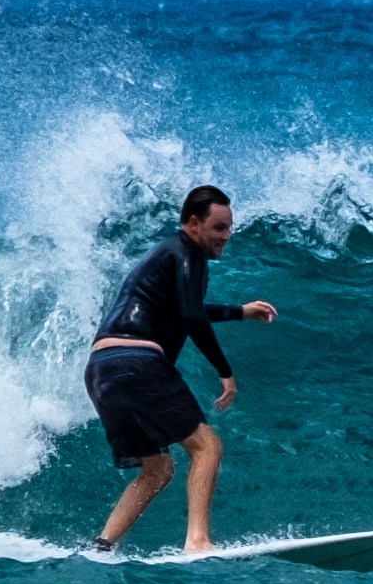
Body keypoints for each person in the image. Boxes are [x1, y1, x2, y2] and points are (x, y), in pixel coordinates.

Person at [88, 185, 281, 553]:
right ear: (193, 224)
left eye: (229, 227)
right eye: (219, 228)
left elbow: (185, 309)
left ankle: (101, 545)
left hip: (102, 369)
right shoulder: (188, 253)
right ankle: (197, 541)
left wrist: (240, 311)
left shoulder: (167, 256)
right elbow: (192, 316)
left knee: (157, 467)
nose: (227, 236)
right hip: (137, 362)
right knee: (207, 447)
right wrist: (225, 371)